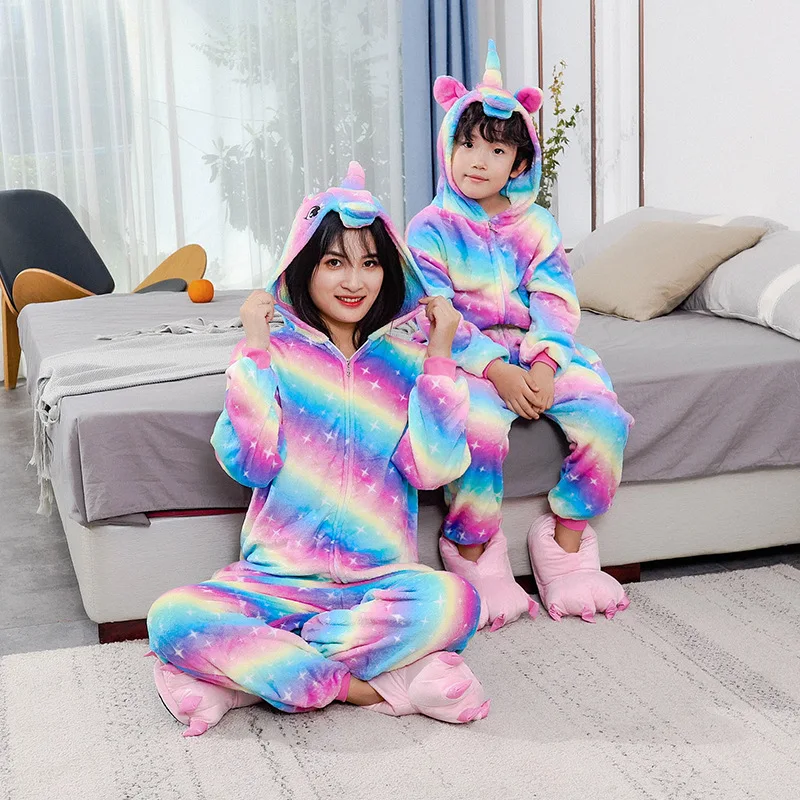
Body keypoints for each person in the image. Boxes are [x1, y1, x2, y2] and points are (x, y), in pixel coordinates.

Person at [146, 163, 489, 737]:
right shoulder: (274, 356)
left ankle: (253, 674)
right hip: (273, 583)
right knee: (172, 618)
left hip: (377, 584)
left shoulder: (407, 361)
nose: (355, 281)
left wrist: (440, 356)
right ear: (304, 267)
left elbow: (432, 469)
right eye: (334, 262)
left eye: (370, 263)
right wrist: (255, 351)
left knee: (457, 603)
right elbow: (250, 463)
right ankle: (369, 687)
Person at [406, 41, 634, 624]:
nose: (478, 160)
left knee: (605, 420)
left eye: (497, 149)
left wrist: (543, 364)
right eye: (467, 144)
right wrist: (496, 370)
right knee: (478, 430)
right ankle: (474, 550)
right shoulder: (429, 228)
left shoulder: (537, 225)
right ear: (449, 147)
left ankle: (565, 543)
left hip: (539, 352)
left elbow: (555, 299)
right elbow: (436, 312)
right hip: (467, 356)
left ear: (518, 163)